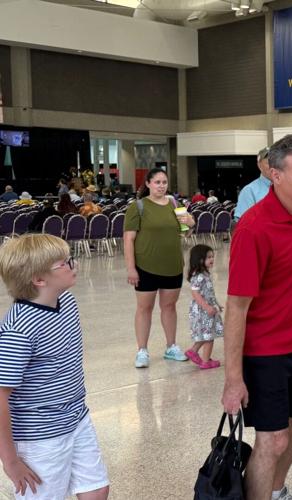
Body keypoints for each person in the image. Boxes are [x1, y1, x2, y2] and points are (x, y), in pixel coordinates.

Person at [221, 134, 292, 500]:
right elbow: (236, 307)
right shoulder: (254, 228)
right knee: (273, 439)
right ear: (275, 175)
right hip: (265, 353)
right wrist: (233, 379)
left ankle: (275, 490)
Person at [0, 235, 110, 500]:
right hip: (40, 436)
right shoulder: (18, 331)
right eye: (65, 263)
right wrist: (10, 460)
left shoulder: (67, 302)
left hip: (76, 417)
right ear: (39, 279)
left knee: (96, 490)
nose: (74, 264)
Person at [124, 167, 195, 368]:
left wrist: (190, 223)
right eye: (157, 182)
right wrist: (131, 268)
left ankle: (171, 346)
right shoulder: (138, 207)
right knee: (144, 308)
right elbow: (128, 239)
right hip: (145, 266)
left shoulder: (174, 204)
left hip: (173, 265)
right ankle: (142, 350)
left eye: (164, 182)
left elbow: (185, 232)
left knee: (169, 307)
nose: (161, 186)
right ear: (148, 184)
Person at [185, 244, 223, 370]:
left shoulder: (204, 273)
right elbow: (195, 293)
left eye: (212, 256)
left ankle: (193, 351)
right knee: (209, 336)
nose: (212, 259)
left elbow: (209, 293)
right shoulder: (199, 276)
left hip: (206, 309)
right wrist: (207, 307)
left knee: (205, 334)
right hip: (203, 311)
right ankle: (206, 361)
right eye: (208, 257)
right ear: (200, 259)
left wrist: (216, 304)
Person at [234, 147, 272, 222]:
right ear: (259, 165)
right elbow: (244, 223)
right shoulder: (249, 191)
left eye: (277, 162)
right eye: (269, 162)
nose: (273, 166)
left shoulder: (286, 188)